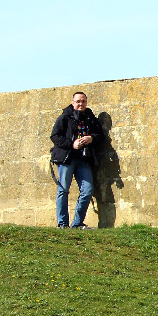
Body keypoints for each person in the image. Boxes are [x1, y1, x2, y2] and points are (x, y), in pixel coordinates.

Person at [50, 91, 104, 229]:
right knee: (63, 190)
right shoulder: (64, 117)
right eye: (78, 101)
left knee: (87, 190)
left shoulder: (90, 118)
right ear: (73, 102)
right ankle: (62, 223)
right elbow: (55, 136)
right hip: (66, 159)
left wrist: (91, 138)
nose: (81, 104)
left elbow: (100, 135)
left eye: (83, 101)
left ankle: (77, 223)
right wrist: (72, 144)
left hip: (83, 159)